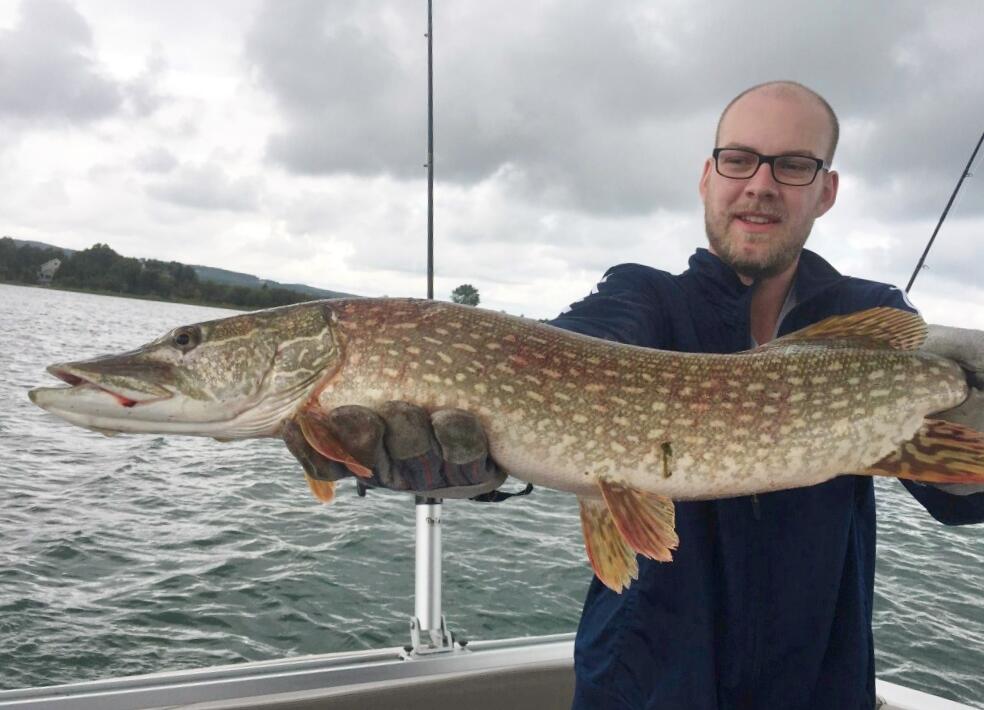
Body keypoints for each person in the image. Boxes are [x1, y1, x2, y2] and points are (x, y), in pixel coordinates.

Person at [317, 81, 984, 709]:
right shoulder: (641, 297)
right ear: (707, 175)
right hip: (643, 691)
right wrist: (467, 469)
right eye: (739, 160)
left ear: (827, 190)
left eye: (792, 166)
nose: (760, 185)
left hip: (818, 689)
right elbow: (552, 358)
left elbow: (961, 491)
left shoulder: (873, 318)